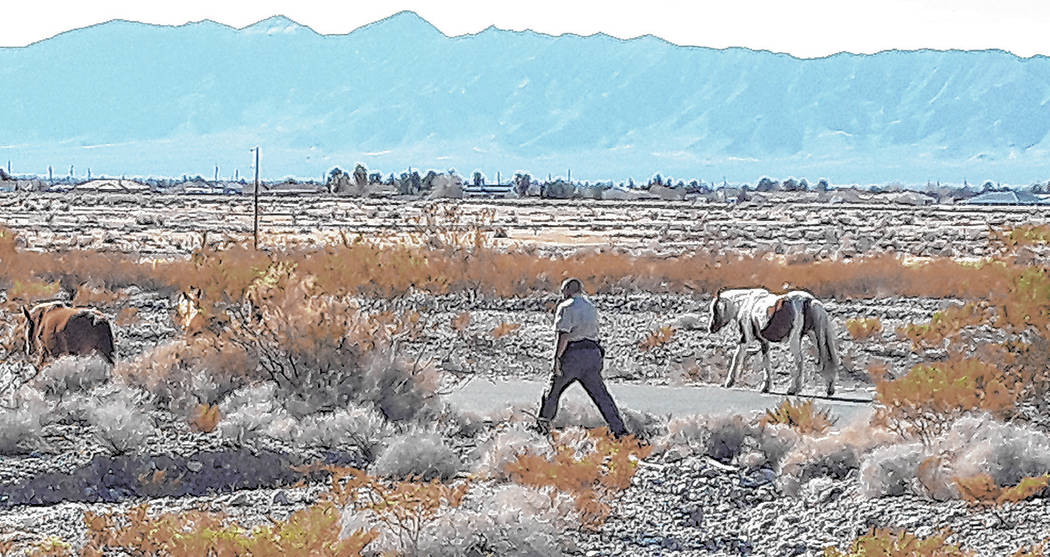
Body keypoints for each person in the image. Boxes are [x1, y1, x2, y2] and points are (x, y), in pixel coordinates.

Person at [536, 278, 628, 437]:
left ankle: (542, 428)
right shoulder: (591, 307)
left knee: (552, 391)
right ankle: (620, 431)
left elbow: (564, 335)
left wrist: (556, 359)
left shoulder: (566, 306)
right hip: (593, 354)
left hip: (574, 355)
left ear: (567, 290)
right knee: (601, 395)